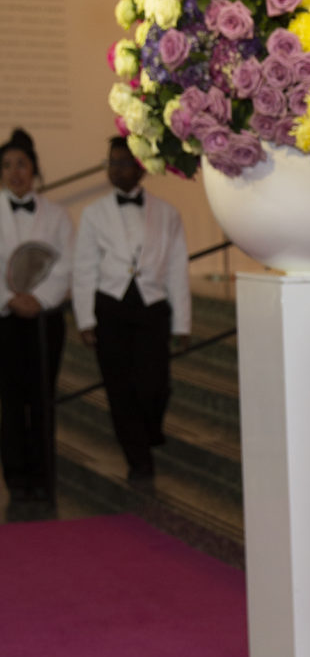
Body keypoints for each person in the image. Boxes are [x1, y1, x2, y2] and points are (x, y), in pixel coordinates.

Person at [73, 137, 191, 483]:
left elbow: (177, 269)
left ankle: (149, 431)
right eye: (112, 163)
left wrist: (182, 323)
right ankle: (138, 461)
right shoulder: (94, 213)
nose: (117, 169)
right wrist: (85, 318)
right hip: (110, 306)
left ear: (141, 167)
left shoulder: (167, 213)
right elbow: (84, 268)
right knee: (119, 388)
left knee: (156, 386)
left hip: (152, 307)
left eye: (125, 162)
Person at [0, 130, 72, 509]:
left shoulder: (57, 216)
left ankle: (43, 476)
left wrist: (39, 299)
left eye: (22, 164)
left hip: (45, 321)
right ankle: (16, 478)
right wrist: (10, 299)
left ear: (34, 169)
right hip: (4, 319)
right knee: (10, 401)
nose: (15, 172)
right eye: (7, 166)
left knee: (42, 398)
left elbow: (66, 265)